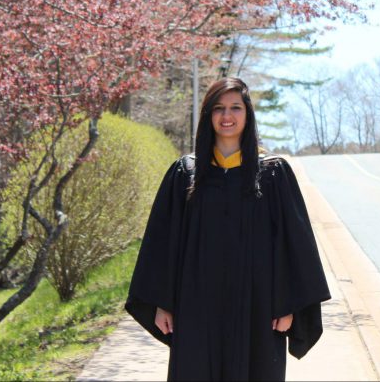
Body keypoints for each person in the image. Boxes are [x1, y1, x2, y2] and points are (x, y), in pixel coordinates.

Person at [125, 77, 331, 381]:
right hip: (196, 305)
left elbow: (293, 246)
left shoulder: (272, 175)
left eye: (236, 108)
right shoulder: (186, 174)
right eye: (219, 108)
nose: (227, 116)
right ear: (208, 115)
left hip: (258, 308)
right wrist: (162, 304)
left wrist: (288, 306)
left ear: (248, 115)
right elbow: (163, 244)